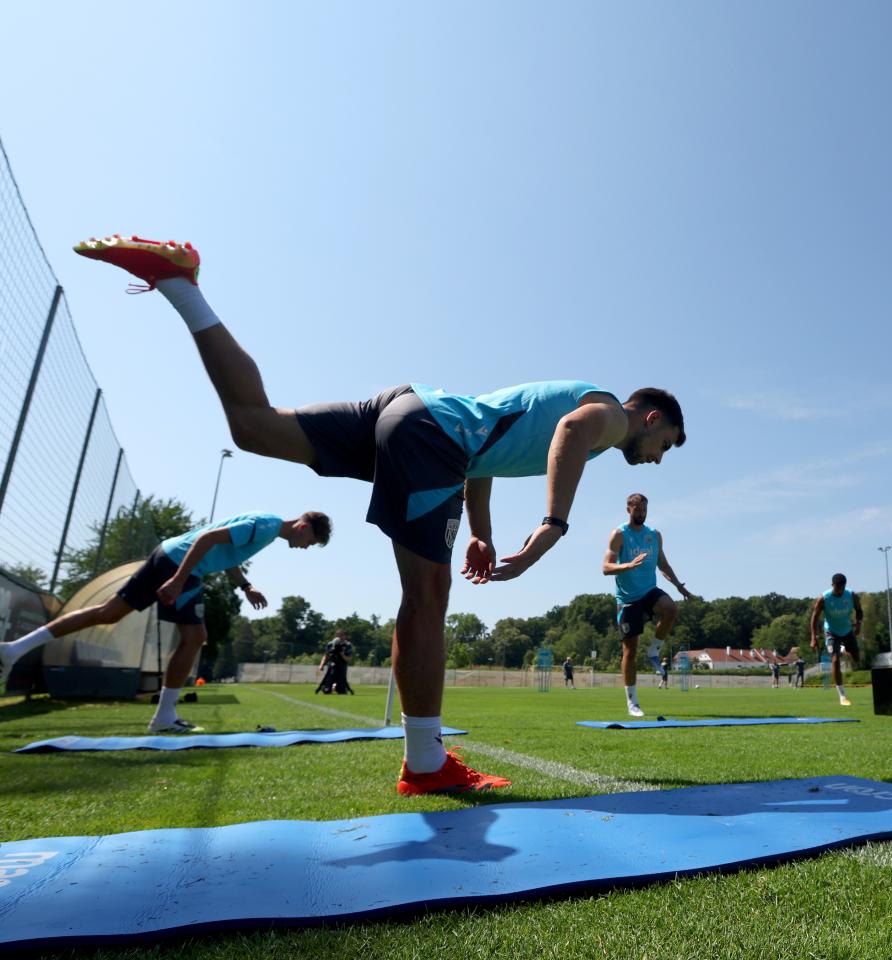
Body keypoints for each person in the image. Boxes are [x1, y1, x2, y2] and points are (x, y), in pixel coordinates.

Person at [76, 235, 686, 794]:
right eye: (666, 446)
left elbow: (484, 454)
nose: (656, 460)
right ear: (652, 419)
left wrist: (481, 534)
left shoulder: (572, 401)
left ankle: (181, 287)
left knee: (255, 426)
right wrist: (552, 526)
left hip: (409, 411)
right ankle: (425, 764)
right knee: (426, 598)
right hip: (431, 437)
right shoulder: (607, 414)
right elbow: (572, 434)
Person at [0, 511, 329, 729]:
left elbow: (228, 554)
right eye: (309, 541)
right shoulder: (266, 526)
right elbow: (206, 540)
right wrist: (178, 579)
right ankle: (164, 716)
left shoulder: (266, 531)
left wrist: (245, 586)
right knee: (195, 637)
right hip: (179, 566)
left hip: (168, 556)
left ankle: (14, 649)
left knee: (108, 614)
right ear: (303, 526)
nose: (305, 547)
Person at [603, 493, 694, 717]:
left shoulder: (654, 535)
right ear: (628, 510)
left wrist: (678, 586)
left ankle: (653, 651)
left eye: (644, 510)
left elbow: (662, 564)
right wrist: (628, 565)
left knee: (671, 609)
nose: (641, 514)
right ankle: (632, 702)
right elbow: (605, 567)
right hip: (627, 599)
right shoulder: (619, 534)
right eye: (637, 510)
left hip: (649, 592)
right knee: (629, 651)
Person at [809, 573, 863, 706]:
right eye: (837, 588)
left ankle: (844, 648)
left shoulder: (851, 596)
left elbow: (859, 611)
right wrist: (813, 637)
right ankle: (842, 696)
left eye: (842, 588)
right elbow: (814, 617)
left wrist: (859, 623)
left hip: (847, 631)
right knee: (835, 660)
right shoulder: (824, 598)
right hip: (831, 632)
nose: (839, 591)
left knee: (857, 658)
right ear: (832, 585)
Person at [317, 628, 354, 695]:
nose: (340, 637)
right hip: (332, 665)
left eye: (342, 635)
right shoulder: (330, 644)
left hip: (342, 666)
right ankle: (326, 686)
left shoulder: (348, 645)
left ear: (345, 636)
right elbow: (326, 655)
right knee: (327, 690)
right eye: (338, 635)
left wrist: (341, 652)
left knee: (341, 691)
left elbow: (347, 659)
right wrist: (321, 665)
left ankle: (338, 687)